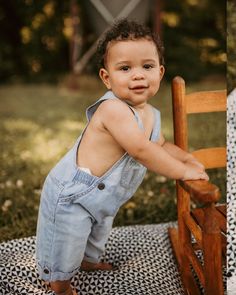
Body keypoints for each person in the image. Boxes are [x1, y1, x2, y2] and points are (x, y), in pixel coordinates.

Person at [36, 19, 209, 295]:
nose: (138, 75)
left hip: (105, 197)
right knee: (66, 241)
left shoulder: (151, 114)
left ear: (160, 72)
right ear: (107, 77)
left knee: (96, 235)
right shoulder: (112, 110)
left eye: (147, 66)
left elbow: (160, 145)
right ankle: (60, 283)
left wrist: (187, 160)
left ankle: (87, 262)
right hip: (73, 194)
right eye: (125, 68)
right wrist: (182, 172)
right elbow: (142, 150)